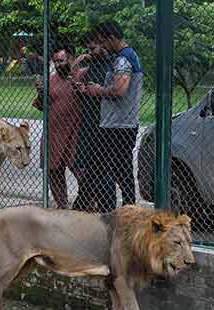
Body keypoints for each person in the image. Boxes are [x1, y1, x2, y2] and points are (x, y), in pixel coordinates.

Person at [75, 21, 143, 212]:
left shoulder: (122, 59)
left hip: (117, 126)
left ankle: (80, 210)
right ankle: (123, 209)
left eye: (103, 42)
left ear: (112, 39)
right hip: (120, 125)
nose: (103, 46)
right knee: (114, 170)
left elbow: (120, 90)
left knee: (97, 170)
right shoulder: (129, 56)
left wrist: (98, 90)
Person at [32, 44, 85, 209]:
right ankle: (62, 205)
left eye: (61, 60)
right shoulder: (50, 80)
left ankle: (87, 203)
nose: (57, 64)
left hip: (75, 131)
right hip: (53, 133)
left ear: (70, 59)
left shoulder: (81, 75)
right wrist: (42, 93)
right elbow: (41, 106)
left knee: (81, 171)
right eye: (55, 61)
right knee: (53, 171)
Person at [72, 29, 112, 212]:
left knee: (103, 172)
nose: (90, 51)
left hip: (104, 123)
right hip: (89, 120)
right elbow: (85, 91)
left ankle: (104, 209)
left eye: (93, 47)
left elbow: (114, 92)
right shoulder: (91, 65)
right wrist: (82, 90)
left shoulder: (112, 65)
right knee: (89, 168)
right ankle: (83, 206)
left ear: (103, 43)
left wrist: (96, 90)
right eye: (88, 48)